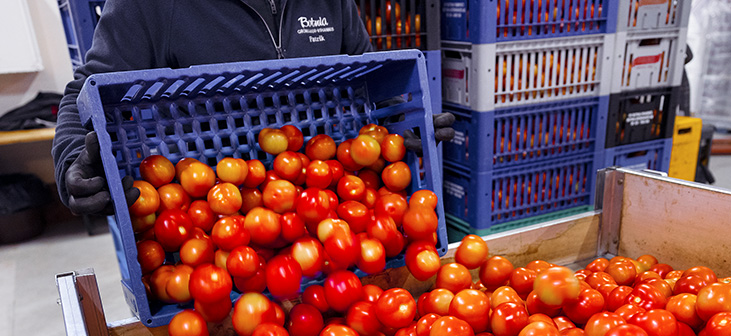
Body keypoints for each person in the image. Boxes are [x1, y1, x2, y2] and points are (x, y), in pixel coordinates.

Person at [52, 0, 454, 216]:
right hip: (205, 221)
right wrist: (72, 159)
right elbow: (83, 93)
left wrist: (401, 122)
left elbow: (368, 79)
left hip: (327, 210)